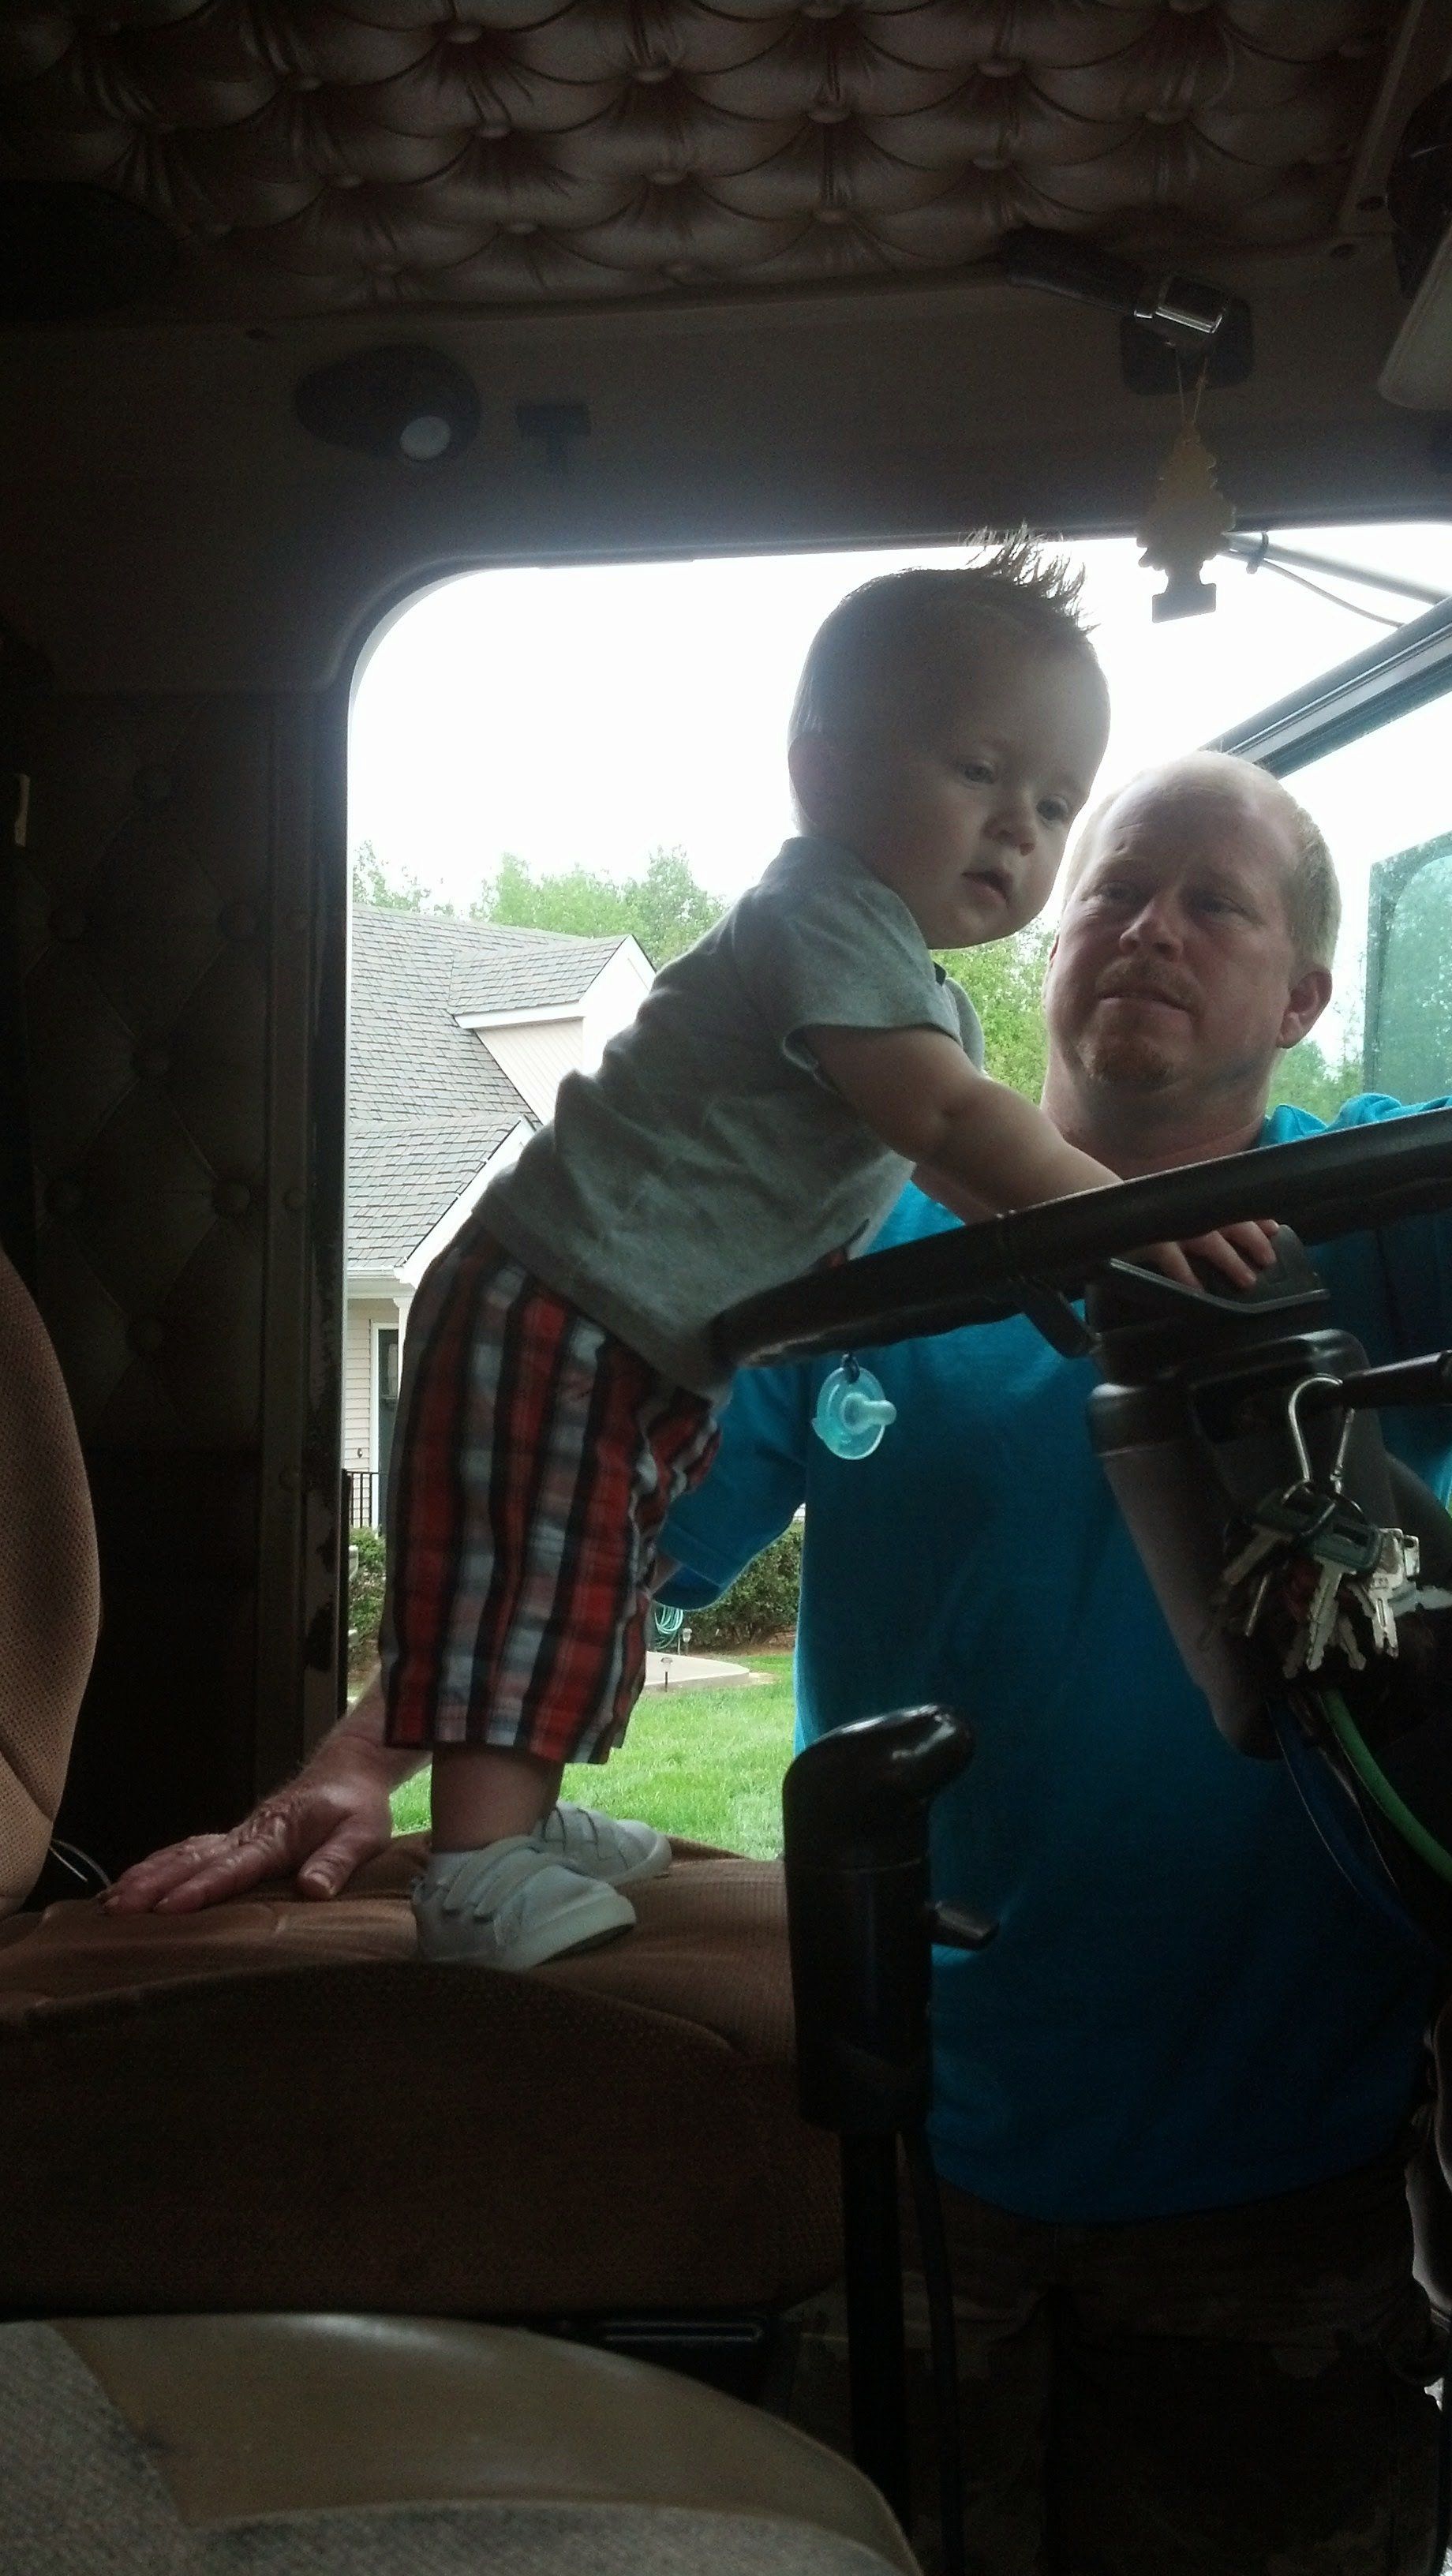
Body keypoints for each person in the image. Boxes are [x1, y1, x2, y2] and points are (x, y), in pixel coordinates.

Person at [107, 744, 1446, 2565]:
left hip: (1293, 2163)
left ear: (1296, 994)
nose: (1148, 927)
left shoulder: (1380, 1216)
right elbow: (579, 1535)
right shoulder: (851, 1246)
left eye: (1213, 902)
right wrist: (367, 1748)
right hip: (902, 2150)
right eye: (1117, 886)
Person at [343, 545, 1274, 1975]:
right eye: (979, 772)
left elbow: (965, 1174)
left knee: (595, 1572)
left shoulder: (913, 992)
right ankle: (473, 1868)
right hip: (567, 1298)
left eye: (1051, 805)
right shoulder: (825, 916)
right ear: (821, 770)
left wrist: (1074, 1262)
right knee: (538, 1571)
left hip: (641, 1333)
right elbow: (953, 1125)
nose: (1017, 832)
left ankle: (517, 1816)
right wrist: (1128, 1228)